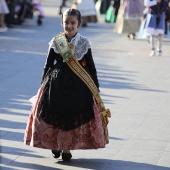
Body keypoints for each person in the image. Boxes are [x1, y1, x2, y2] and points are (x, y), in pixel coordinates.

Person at [24, 8, 110, 161]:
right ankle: (55, 145)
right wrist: (42, 85)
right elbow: (48, 65)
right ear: (61, 23)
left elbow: (90, 66)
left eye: (73, 23)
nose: (69, 26)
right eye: (66, 23)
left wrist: (95, 87)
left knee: (71, 117)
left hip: (78, 85)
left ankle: (67, 148)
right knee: (55, 116)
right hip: (56, 84)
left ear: (79, 24)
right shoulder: (56, 41)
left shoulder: (84, 43)